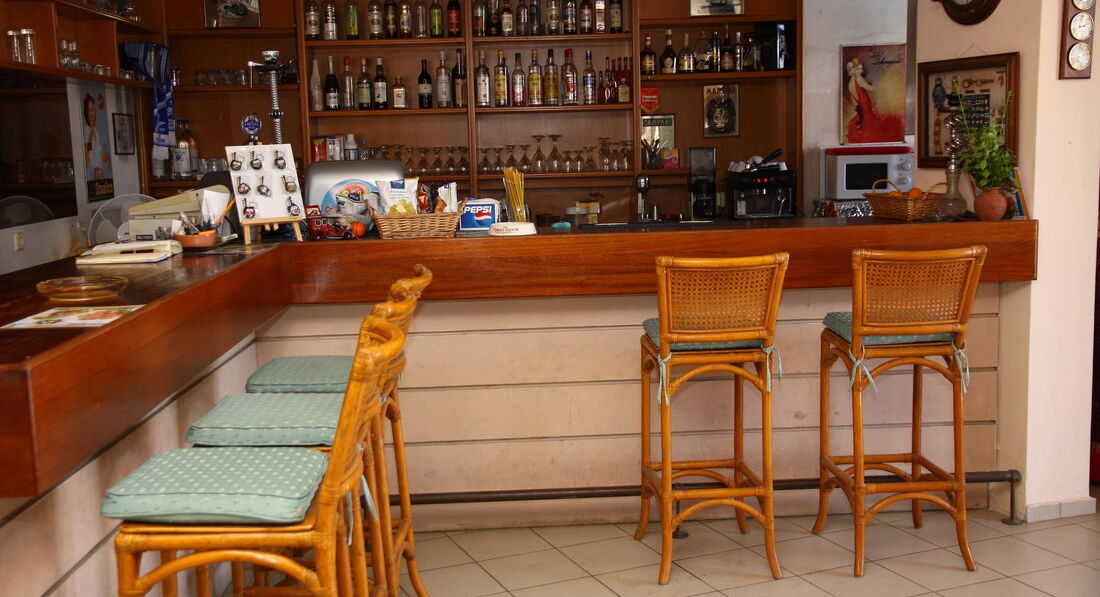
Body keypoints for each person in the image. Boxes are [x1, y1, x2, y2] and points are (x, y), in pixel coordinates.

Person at [845, 57, 904, 144]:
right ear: (852, 70)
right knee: (872, 123)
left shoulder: (850, 83)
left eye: (861, 68)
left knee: (867, 121)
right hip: (865, 105)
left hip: (861, 106)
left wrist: (858, 106)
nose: (861, 71)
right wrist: (880, 88)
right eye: (858, 69)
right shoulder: (859, 78)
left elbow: (853, 98)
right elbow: (870, 88)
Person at [83, 93, 110, 180]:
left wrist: (103, 158)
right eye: (88, 111)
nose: (90, 114)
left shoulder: (96, 132)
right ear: (86, 113)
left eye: (92, 110)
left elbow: (95, 157)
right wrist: (89, 142)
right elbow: (85, 162)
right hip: (92, 177)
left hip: (100, 176)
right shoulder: (86, 131)